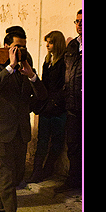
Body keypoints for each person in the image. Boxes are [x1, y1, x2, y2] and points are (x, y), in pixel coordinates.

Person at [0, 30, 47, 212]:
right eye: (17, 46)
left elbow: (42, 95)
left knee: (16, 175)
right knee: (5, 177)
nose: (22, 50)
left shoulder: (26, 64)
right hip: (0, 131)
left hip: (20, 130)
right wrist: (10, 66)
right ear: (7, 47)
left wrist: (31, 75)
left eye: (24, 45)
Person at [28, 30, 67, 183]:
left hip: (58, 107)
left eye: (50, 42)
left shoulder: (63, 61)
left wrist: (55, 100)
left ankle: (48, 169)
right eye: (47, 42)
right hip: (47, 105)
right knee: (42, 139)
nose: (47, 46)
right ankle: (37, 171)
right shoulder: (48, 60)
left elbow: (64, 85)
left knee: (57, 140)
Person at [56, 10, 82, 194]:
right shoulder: (73, 46)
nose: (79, 24)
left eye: (82, 21)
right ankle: (74, 180)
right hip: (73, 105)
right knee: (73, 146)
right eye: (77, 21)